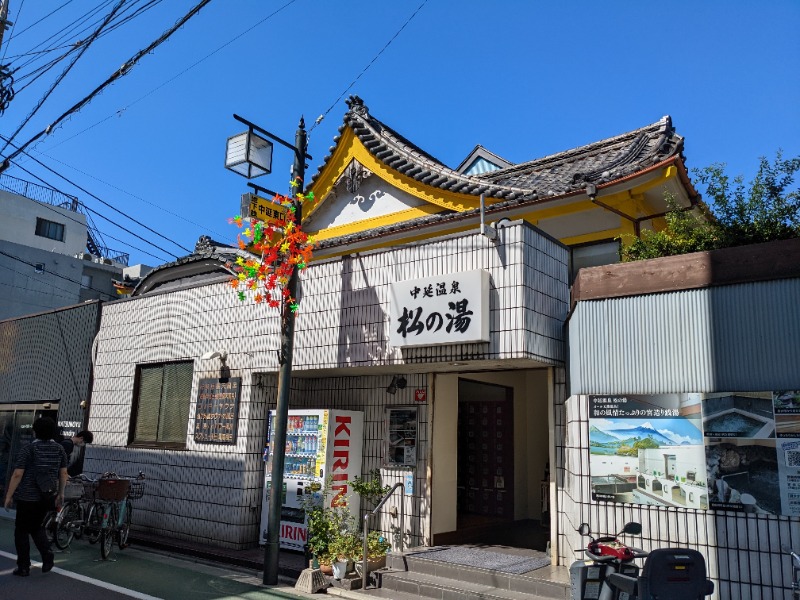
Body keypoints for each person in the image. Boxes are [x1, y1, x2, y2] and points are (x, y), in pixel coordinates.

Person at [3, 417, 68, 576]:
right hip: (46, 496)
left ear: (34, 430)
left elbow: (18, 474)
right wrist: (61, 493)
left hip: (27, 496)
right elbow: (64, 473)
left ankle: (24, 566)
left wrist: (8, 496)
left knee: (21, 531)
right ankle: (47, 554)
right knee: (36, 526)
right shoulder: (59, 449)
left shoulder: (28, 449)